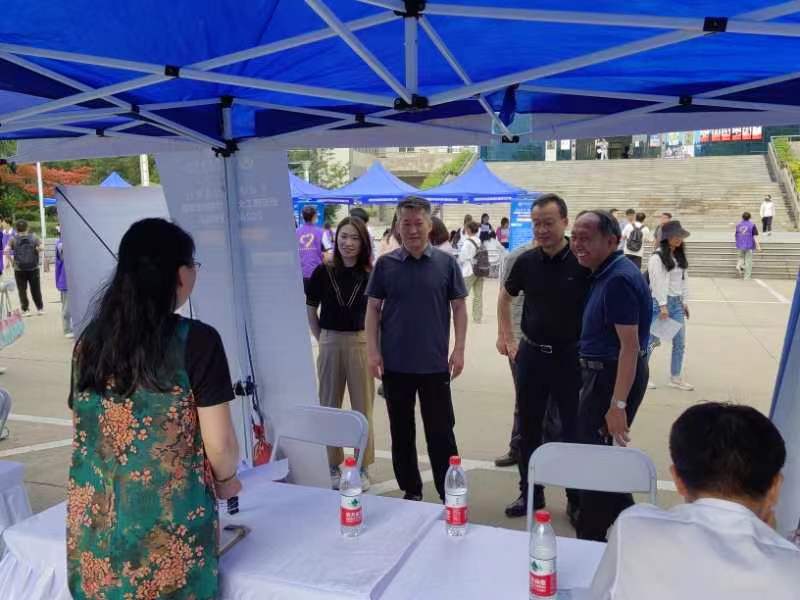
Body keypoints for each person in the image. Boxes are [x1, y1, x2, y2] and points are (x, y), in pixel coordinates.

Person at [67, 218, 241, 600]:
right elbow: (221, 445)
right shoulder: (197, 341)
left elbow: (84, 426)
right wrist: (227, 480)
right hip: (166, 538)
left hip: (97, 531)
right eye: (193, 264)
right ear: (178, 274)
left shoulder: (90, 342)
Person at [589, 402, 799, 599]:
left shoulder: (633, 527)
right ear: (775, 488)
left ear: (678, 480)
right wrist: (773, 539)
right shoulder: (791, 567)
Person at [366, 196, 467, 501]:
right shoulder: (385, 265)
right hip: (395, 365)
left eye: (418, 223)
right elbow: (373, 309)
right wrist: (373, 351)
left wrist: (459, 349)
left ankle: (449, 494)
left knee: (441, 432)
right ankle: (412, 491)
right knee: (401, 432)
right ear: (398, 226)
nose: (412, 230)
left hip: (435, 365)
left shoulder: (446, 263)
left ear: (429, 225)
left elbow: (459, 308)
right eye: (406, 223)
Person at [497, 194, 590, 519]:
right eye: (536, 224)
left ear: (565, 222)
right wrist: (507, 337)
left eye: (548, 223)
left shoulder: (582, 262)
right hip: (532, 357)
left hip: (570, 359)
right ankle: (530, 495)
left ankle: (576, 500)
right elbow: (505, 298)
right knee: (529, 429)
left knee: (572, 431)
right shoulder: (525, 261)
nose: (542, 230)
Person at [570, 210, 651, 541]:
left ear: (612, 240)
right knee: (599, 458)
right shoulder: (604, 272)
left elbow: (629, 347)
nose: (578, 244)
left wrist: (617, 405)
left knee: (595, 464)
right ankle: (635, 528)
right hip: (601, 374)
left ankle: (591, 539)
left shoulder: (618, 279)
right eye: (575, 237)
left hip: (610, 377)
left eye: (586, 238)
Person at [306, 216, 374, 491]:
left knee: (363, 407)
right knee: (328, 405)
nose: (348, 243)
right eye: (344, 236)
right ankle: (332, 464)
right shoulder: (322, 272)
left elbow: (377, 315)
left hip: (361, 342)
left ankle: (363, 465)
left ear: (363, 243)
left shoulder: (370, 274)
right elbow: (311, 309)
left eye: (355, 238)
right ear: (336, 239)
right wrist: (322, 338)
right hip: (329, 340)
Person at [647, 220, 693, 391]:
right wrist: (662, 305)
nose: (679, 238)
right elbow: (656, 283)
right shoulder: (657, 257)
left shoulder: (679, 256)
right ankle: (641, 375)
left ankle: (675, 377)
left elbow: (684, 281)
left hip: (677, 304)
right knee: (651, 342)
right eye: (676, 235)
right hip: (661, 304)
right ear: (667, 237)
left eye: (681, 235)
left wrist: (685, 302)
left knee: (680, 342)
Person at [6, 219, 44, 316]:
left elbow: (6, 250)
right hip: (33, 267)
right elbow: (42, 247)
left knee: (22, 290)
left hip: (19, 268)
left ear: (16, 229)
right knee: (36, 289)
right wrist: (38, 249)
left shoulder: (13, 239)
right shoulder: (34, 237)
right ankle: (40, 308)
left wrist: (12, 262)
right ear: (27, 227)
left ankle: (26, 310)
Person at [457, 221, 485, 324]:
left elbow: (462, 258)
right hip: (480, 270)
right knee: (478, 295)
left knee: (462, 295)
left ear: (469, 230)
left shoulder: (467, 242)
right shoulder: (479, 241)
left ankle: (460, 315)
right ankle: (477, 318)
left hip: (469, 270)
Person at [296, 205, 324, 292]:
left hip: (301, 272)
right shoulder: (321, 232)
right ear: (315, 216)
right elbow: (328, 251)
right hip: (317, 272)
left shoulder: (296, 232)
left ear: (302, 217)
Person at [55, 228, 73, 338]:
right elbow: (63, 255)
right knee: (67, 307)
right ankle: (67, 329)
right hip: (65, 280)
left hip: (72, 279)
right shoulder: (61, 244)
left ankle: (72, 327)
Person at [735, 211, 761, 280]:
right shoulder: (752, 225)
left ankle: (739, 266)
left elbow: (736, 235)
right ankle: (747, 277)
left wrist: (738, 243)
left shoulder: (738, 225)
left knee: (741, 258)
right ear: (750, 217)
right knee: (748, 261)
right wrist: (758, 246)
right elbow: (755, 237)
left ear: (742, 217)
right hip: (749, 245)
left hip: (740, 245)